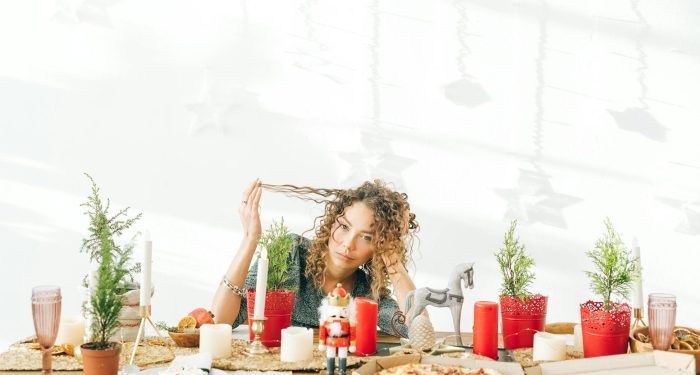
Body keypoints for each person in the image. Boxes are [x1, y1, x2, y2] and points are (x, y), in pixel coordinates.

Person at [211, 178, 420, 336]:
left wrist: (392, 259)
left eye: (366, 237)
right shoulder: (290, 253)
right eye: (344, 227)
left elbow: (416, 330)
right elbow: (221, 320)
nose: (348, 244)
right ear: (331, 224)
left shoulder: (366, 292)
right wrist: (250, 239)